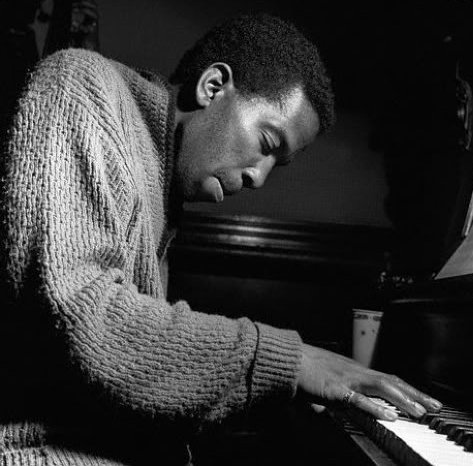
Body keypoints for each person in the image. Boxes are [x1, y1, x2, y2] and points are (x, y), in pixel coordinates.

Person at [0, 12, 441, 466]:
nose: (258, 178)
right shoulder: (80, 84)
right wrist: (290, 362)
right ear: (212, 87)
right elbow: (79, 318)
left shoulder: (163, 182)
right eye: (267, 142)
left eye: (277, 165)